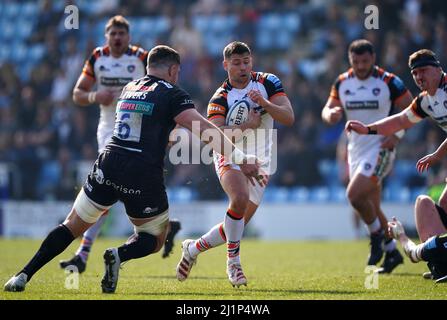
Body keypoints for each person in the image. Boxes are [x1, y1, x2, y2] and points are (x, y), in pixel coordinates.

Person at [4, 45, 261, 293]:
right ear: (173, 70)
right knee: (154, 238)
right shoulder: (173, 93)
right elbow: (205, 130)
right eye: (178, 72)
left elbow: (146, 124)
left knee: (70, 226)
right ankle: (118, 254)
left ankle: (22, 275)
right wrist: (240, 156)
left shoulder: (130, 88)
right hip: (141, 172)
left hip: (108, 162)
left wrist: (166, 133)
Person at [60, 15, 181, 274]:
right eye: (112, 34)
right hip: (110, 129)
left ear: (128, 36)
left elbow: (161, 85)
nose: (117, 38)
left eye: (121, 34)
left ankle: (85, 252)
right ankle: (85, 252)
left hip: (142, 129)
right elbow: (77, 94)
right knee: (109, 189)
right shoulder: (97, 58)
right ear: (107, 36)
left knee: (111, 188)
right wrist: (95, 95)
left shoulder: (140, 57)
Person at [175, 41, 294, 287]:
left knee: (236, 224)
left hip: (262, 160)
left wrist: (265, 104)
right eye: (237, 63)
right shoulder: (220, 98)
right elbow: (216, 137)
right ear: (225, 65)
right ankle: (234, 264)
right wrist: (246, 126)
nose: (243, 67)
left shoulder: (268, 83)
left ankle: (192, 249)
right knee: (238, 199)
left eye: (246, 62)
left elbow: (288, 117)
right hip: (229, 155)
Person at [346, 49, 447, 279]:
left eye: (423, 71)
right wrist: (368, 129)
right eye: (415, 73)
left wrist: (436, 155)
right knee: (443, 202)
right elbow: (401, 120)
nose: (419, 77)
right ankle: (441, 259)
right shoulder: (425, 101)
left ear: (438, 68)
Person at [322, 39, 413, 273]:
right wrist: (330, 114)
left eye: (365, 61)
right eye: (356, 61)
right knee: (371, 204)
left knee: (354, 195)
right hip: (355, 150)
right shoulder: (342, 82)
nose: (361, 66)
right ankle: (392, 252)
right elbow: (327, 108)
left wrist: (398, 135)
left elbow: (414, 109)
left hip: (381, 147)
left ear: (373, 58)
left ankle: (375, 239)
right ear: (350, 60)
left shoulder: (389, 82)